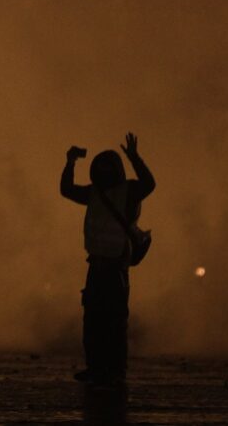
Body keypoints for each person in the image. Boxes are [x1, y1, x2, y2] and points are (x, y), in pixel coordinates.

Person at [60, 132, 156, 385]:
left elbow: (149, 184)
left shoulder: (130, 191)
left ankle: (114, 370)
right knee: (92, 322)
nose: (103, 173)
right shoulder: (93, 193)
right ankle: (96, 367)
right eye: (99, 168)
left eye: (107, 168)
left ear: (116, 170)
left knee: (114, 323)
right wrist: (70, 162)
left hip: (116, 267)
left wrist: (135, 158)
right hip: (96, 264)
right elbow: (66, 190)